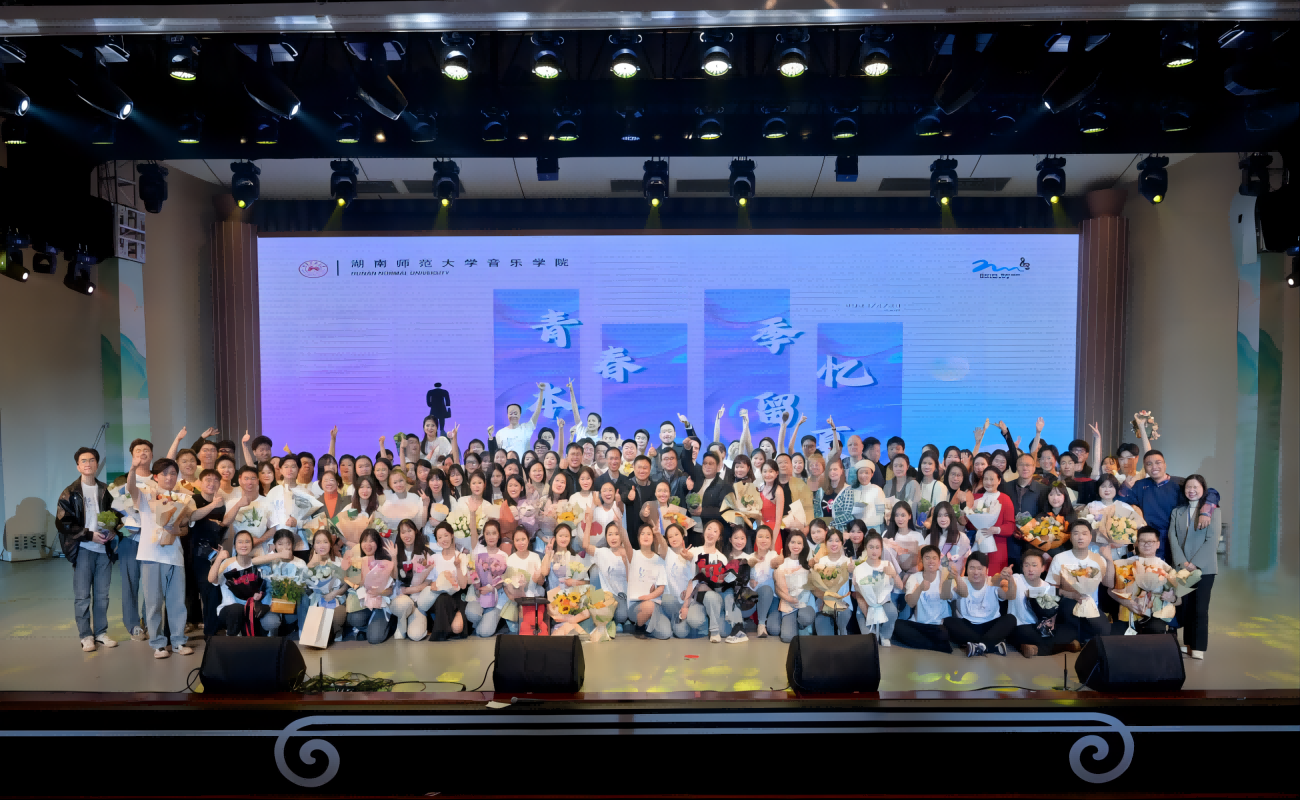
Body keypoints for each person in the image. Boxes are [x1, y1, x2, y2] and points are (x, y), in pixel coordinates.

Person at [127, 454, 193, 659]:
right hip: (151, 555)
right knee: (154, 603)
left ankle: (178, 641)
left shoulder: (182, 498)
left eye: (173, 473)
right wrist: (133, 469)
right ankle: (158, 644)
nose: (169, 477)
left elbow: (186, 528)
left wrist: (178, 529)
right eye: (164, 474)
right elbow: (130, 488)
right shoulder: (146, 496)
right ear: (155, 477)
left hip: (175, 556)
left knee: (177, 602)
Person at [55, 447, 118, 653]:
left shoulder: (106, 490)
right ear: (78, 466)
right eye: (83, 461)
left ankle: (100, 632)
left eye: (91, 460)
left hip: (104, 550)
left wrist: (113, 530)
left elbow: (117, 515)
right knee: (82, 596)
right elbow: (63, 523)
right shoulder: (70, 492)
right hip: (83, 548)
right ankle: (85, 635)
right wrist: (89, 535)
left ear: (97, 464)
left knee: (102, 595)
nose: (88, 463)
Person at [1119, 450, 1219, 561]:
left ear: (1165, 464)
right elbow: (1119, 502)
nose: (1154, 467)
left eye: (1158, 462)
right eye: (1149, 464)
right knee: (1153, 570)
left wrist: (1206, 512)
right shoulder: (1140, 485)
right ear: (1145, 468)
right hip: (1152, 540)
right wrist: (1125, 485)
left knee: (1178, 569)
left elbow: (1211, 492)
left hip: (1178, 538)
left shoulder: (1180, 483)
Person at [1169, 475, 1219, 660]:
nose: (1191, 490)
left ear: (1203, 489)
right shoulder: (1178, 511)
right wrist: (1183, 562)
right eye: (1188, 487)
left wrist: (1195, 564)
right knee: (1187, 606)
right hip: (1183, 567)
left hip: (1205, 568)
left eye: (1195, 487)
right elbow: (1172, 537)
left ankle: (1199, 647)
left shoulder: (1213, 511)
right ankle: (1188, 643)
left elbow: (1212, 540)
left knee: (1200, 608)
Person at [1046, 520, 1115, 652]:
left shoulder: (1098, 559)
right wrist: (1071, 594)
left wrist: (1109, 560)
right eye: (1076, 533)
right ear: (1070, 537)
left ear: (1090, 537)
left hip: (1091, 604)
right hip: (1067, 602)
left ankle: (1078, 639)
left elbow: (1109, 584)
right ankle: (1075, 638)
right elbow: (1051, 589)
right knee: (1071, 621)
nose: (1080, 537)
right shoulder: (1060, 558)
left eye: (1084, 533)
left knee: (1104, 629)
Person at [113, 437, 155, 642]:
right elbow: (114, 512)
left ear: (152, 454)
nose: (142, 453)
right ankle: (133, 625)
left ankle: (149, 620)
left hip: (152, 540)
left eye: (146, 450)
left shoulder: (158, 479)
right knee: (130, 584)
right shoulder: (121, 482)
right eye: (138, 450)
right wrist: (123, 526)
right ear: (132, 455)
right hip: (130, 540)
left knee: (151, 584)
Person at [207, 531, 287, 637]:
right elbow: (211, 579)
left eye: (247, 542)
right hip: (232, 610)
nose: (244, 545)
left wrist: (265, 605)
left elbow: (268, 589)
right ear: (235, 545)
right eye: (240, 542)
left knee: (272, 621)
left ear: (252, 545)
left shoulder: (259, 563)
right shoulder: (228, 564)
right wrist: (219, 558)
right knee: (237, 610)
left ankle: (263, 639)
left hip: (255, 610)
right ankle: (231, 640)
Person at [1107, 526, 1181, 636]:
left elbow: (1179, 600)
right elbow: (1110, 590)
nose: (1146, 544)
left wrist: (1172, 598)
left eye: (1151, 541)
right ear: (1137, 543)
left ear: (1158, 544)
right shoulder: (1125, 564)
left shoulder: (1165, 568)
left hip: (1155, 613)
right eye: (1142, 541)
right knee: (1116, 635)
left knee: (1155, 630)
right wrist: (1127, 603)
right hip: (1129, 612)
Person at [946, 551, 1017, 657]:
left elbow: (1010, 596)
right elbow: (948, 597)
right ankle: (990, 645)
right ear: (966, 569)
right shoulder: (960, 582)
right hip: (968, 626)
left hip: (990, 626)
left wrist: (1010, 579)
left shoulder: (992, 582)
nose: (976, 572)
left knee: (1011, 619)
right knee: (948, 622)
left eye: (980, 568)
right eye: (972, 568)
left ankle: (979, 646)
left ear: (986, 570)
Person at [186, 468, 228, 637]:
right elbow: (192, 516)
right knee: (191, 593)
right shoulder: (193, 500)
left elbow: (222, 526)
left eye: (215, 480)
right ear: (200, 483)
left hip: (213, 554)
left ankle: (212, 632)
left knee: (212, 591)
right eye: (208, 480)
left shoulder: (222, 504)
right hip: (193, 554)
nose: (212, 483)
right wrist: (213, 505)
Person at [893, 545, 954, 653]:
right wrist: (920, 588)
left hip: (937, 625)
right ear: (921, 560)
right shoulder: (914, 577)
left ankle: (924, 643)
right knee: (897, 626)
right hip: (918, 623)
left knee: (944, 633)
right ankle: (936, 646)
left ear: (939, 561)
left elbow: (949, 596)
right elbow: (911, 603)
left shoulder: (945, 576)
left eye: (934, 558)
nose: (931, 561)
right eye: (927, 558)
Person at [963, 464, 1016, 574]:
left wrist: (996, 529)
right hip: (977, 544)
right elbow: (969, 524)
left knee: (994, 578)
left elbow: (1011, 526)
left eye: (992, 479)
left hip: (997, 547)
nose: (988, 482)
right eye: (986, 479)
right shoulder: (975, 498)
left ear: (999, 481)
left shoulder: (1005, 499)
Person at [390, 519, 436, 641]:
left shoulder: (425, 553)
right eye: (403, 532)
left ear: (415, 531)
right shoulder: (395, 552)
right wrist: (393, 557)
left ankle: (413, 620)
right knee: (403, 604)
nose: (407, 535)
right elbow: (394, 577)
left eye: (409, 530)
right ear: (399, 535)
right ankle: (401, 622)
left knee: (416, 635)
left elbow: (429, 581)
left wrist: (410, 590)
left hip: (418, 599)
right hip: (401, 598)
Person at [853, 532, 902, 645]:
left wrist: (894, 574)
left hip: (883, 604)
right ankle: (874, 633)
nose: (874, 551)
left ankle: (885, 635)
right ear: (866, 548)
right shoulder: (858, 569)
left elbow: (900, 586)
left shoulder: (887, 564)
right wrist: (869, 614)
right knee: (870, 642)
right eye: (871, 547)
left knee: (892, 612)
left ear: (881, 549)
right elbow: (858, 595)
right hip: (866, 606)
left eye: (877, 547)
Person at [259, 530, 310, 639]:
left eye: (288, 543)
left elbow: (305, 585)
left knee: (304, 596)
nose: (285, 547)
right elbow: (254, 562)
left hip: (292, 606)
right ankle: (273, 633)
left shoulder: (300, 563)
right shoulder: (271, 560)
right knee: (271, 621)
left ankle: (304, 633)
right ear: (274, 545)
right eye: (280, 544)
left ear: (293, 545)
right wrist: (277, 555)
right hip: (273, 605)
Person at [1000, 453, 1048, 568]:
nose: (1025, 468)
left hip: (1033, 541)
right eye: (1021, 465)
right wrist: (1012, 528)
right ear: (1017, 467)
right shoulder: (1005, 487)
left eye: (1028, 465)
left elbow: (1045, 513)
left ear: (1034, 468)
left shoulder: (1043, 489)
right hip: (1009, 540)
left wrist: (1028, 528)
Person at [1007, 549, 1057, 657]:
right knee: (1018, 633)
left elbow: (1051, 613)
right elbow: (1003, 586)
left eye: (1034, 565)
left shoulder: (1047, 586)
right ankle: (1053, 647)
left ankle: (1032, 648)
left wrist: (1052, 621)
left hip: (1038, 627)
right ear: (1022, 567)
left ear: (1043, 568)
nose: (1030, 569)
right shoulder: (1016, 579)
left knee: (1060, 631)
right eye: (1026, 565)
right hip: (1020, 626)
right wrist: (1006, 577)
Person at [465, 520, 511, 637]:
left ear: (499, 535)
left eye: (494, 533)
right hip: (478, 594)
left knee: (484, 632)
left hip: (495, 596)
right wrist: (477, 584)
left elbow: (504, 579)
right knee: (471, 614)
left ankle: (486, 623)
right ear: (484, 535)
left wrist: (491, 588)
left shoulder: (504, 556)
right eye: (488, 533)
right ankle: (481, 620)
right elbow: (471, 572)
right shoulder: (478, 551)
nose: (491, 537)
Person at [625, 525, 672, 639]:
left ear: (653, 538)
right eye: (643, 534)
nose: (646, 536)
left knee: (666, 634)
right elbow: (624, 540)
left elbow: (661, 588)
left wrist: (649, 596)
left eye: (649, 534)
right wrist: (619, 524)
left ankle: (646, 623)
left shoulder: (659, 560)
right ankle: (639, 627)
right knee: (649, 606)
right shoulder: (633, 555)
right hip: (636, 605)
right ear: (638, 538)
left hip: (654, 605)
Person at [304, 530, 348, 644]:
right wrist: (311, 564)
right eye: (318, 542)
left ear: (331, 544)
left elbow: (346, 585)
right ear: (313, 545)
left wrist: (335, 593)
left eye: (325, 542)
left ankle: (337, 632)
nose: (321, 545)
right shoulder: (311, 564)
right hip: (318, 600)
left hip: (336, 598)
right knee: (315, 640)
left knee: (337, 617)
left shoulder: (340, 562)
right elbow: (304, 583)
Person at [771, 530, 814, 643]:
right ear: (788, 544)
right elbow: (777, 587)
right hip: (788, 604)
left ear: (803, 546)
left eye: (799, 543)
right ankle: (792, 623)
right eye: (793, 542)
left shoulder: (808, 565)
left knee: (805, 618)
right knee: (787, 638)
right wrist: (788, 598)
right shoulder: (782, 563)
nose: (796, 546)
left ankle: (801, 625)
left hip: (805, 604)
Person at [810, 529, 853, 635]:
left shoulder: (848, 561)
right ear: (826, 543)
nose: (834, 544)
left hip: (843, 604)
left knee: (842, 626)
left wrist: (851, 571)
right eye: (830, 540)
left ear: (842, 543)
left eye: (837, 540)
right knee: (824, 637)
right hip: (824, 603)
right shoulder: (822, 561)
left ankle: (842, 630)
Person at [746, 525, 782, 639]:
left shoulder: (773, 555)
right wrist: (750, 582)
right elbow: (745, 581)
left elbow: (777, 564)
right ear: (755, 539)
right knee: (742, 612)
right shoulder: (749, 557)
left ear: (771, 540)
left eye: (767, 537)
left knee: (775, 630)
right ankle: (760, 625)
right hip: (753, 595)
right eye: (760, 536)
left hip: (772, 597)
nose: (763, 540)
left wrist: (779, 561)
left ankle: (762, 624)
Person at [494, 389, 545, 458]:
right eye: (511, 413)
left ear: (520, 414)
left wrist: (541, 391)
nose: (513, 416)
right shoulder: (500, 433)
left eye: (515, 413)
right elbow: (498, 453)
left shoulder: (526, 428)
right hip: (506, 464)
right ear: (507, 415)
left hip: (523, 464)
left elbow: (537, 411)